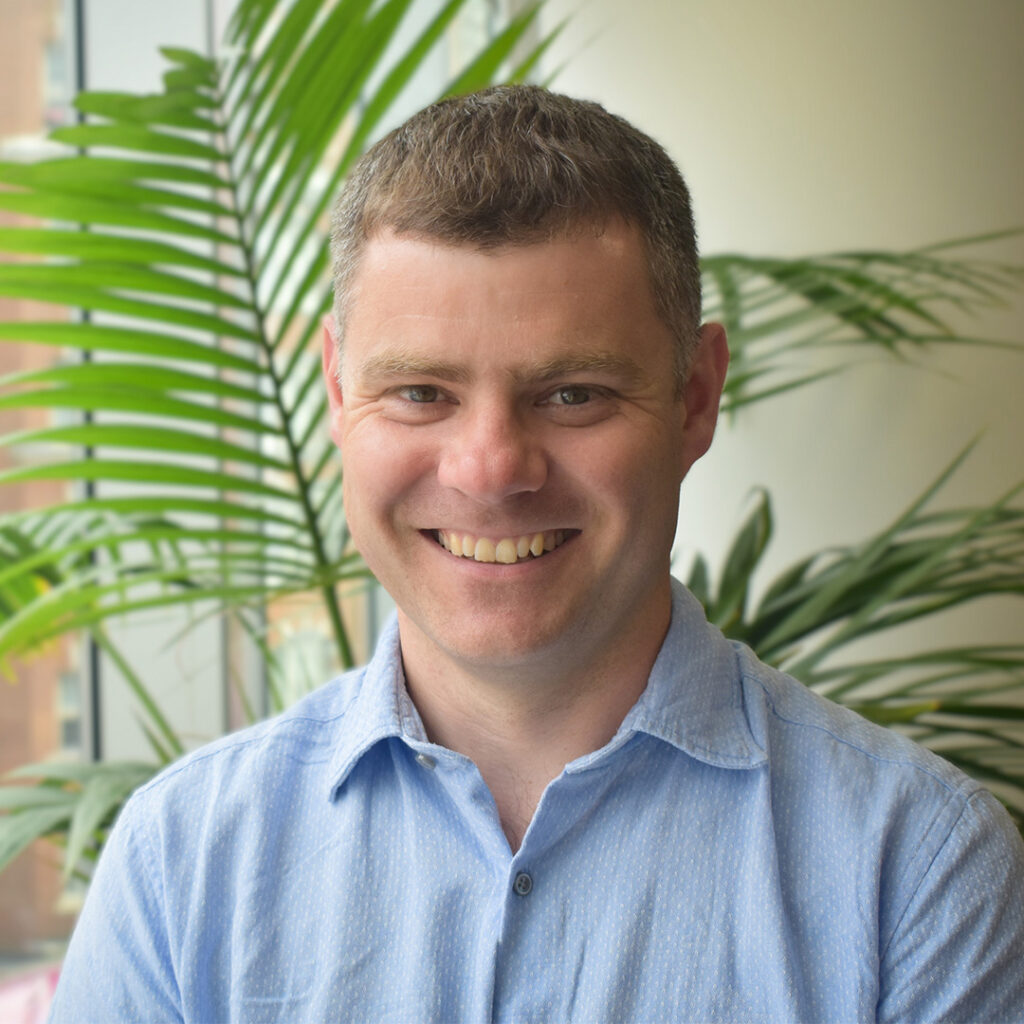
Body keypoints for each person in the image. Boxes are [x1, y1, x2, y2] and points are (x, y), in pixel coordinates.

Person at [50, 85, 1024, 1023]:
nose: (490, 471)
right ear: (338, 393)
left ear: (694, 398)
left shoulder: (919, 870)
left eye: (573, 393)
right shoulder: (178, 862)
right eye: (421, 392)